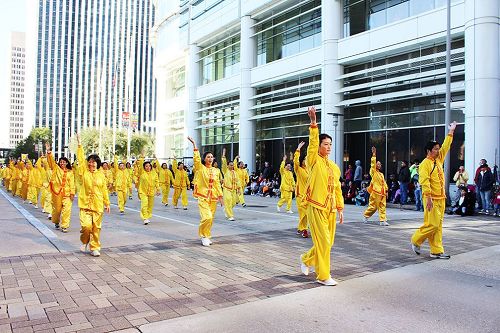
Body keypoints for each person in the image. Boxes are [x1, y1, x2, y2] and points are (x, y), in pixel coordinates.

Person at [300, 106, 344, 286]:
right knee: (324, 242)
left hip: (331, 208)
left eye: (330, 144)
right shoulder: (313, 160)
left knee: (328, 243)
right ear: (319, 146)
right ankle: (323, 276)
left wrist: (340, 208)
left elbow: (337, 189)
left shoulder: (334, 166)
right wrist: (313, 123)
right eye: (325, 144)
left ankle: (306, 259)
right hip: (316, 206)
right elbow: (311, 145)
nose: (328, 147)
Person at [411, 121, 456, 259]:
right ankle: (416, 239)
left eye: (438, 148)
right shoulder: (425, 164)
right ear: (428, 151)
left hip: (441, 198)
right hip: (430, 198)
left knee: (438, 226)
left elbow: (446, 146)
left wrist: (451, 132)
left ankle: (436, 250)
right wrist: (428, 198)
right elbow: (424, 182)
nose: (438, 150)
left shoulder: (438, 160)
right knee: (432, 224)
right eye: (435, 149)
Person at [76, 134, 110, 256]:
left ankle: (95, 247)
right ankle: (85, 241)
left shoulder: (101, 175)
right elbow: (80, 160)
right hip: (84, 204)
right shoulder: (84, 172)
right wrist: (79, 144)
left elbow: (104, 190)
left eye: (94, 162)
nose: (92, 164)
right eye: (90, 162)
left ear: (98, 163)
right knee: (86, 227)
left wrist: (107, 203)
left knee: (96, 228)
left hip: (97, 205)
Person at [187, 136, 223, 246]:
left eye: (212, 157)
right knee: (206, 216)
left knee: (211, 218)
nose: (210, 159)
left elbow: (217, 184)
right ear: (204, 159)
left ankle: (207, 235)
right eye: (208, 157)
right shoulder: (200, 168)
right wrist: (194, 145)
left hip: (213, 198)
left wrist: (221, 197)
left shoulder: (216, 170)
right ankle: (203, 235)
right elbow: (196, 159)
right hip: (203, 197)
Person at [46, 142, 75, 232]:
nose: (62, 163)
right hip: (57, 193)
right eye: (61, 162)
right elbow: (51, 162)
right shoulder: (56, 168)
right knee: (57, 210)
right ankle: (56, 222)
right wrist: (48, 152)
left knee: (66, 210)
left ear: (66, 163)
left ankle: (65, 226)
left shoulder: (70, 172)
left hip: (67, 194)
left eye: (64, 162)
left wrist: (72, 193)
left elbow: (72, 183)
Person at [363, 146, 389, 226]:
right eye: (378, 164)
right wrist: (374, 154)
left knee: (382, 206)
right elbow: (372, 164)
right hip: (376, 192)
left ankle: (382, 220)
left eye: (380, 164)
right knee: (373, 207)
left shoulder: (381, 174)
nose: (379, 165)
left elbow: (384, 183)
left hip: (382, 193)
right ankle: (366, 216)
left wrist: (386, 190)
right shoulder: (373, 172)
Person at [137, 157, 160, 225]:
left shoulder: (154, 173)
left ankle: (147, 216)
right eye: (146, 166)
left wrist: (158, 189)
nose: (148, 167)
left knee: (150, 206)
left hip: (151, 192)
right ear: (144, 167)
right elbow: (141, 165)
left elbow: (156, 182)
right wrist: (141, 157)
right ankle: (145, 218)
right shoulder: (142, 173)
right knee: (144, 204)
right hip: (143, 192)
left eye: (149, 166)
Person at [294, 142, 309, 238]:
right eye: (304, 159)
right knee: (303, 212)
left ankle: (300, 227)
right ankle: (304, 230)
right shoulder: (298, 169)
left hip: (309, 196)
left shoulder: (310, 170)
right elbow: (295, 161)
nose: (306, 161)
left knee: (308, 213)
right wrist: (298, 149)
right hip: (300, 195)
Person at [221, 148, 240, 221]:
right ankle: (230, 216)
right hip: (226, 189)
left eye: (232, 165)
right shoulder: (225, 171)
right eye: (230, 165)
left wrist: (238, 189)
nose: (232, 166)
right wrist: (223, 155)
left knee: (233, 203)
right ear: (228, 166)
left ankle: (226, 209)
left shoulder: (235, 172)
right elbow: (224, 163)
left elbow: (237, 181)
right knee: (228, 201)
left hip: (233, 190)